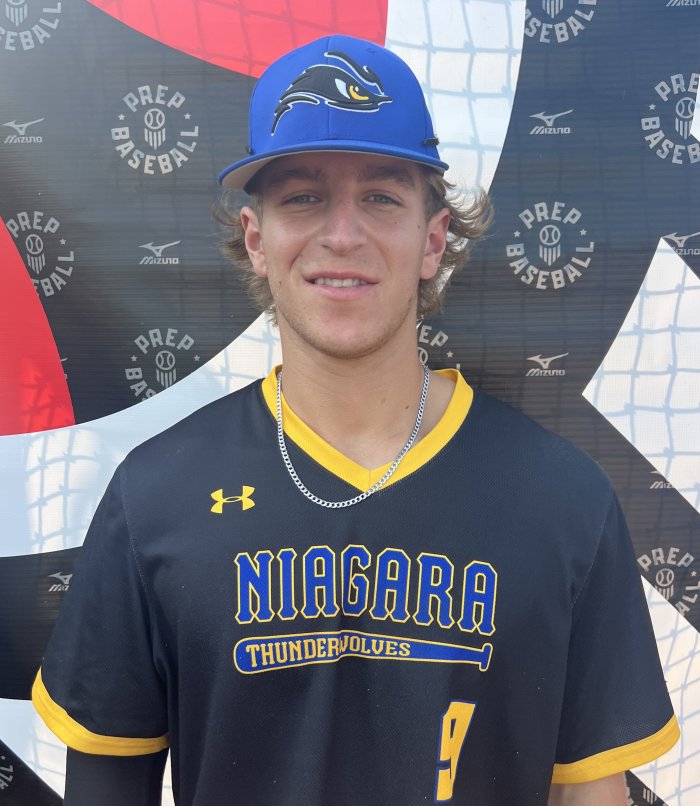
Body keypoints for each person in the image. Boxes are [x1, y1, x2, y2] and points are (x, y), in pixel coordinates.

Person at [32, 35, 679, 806]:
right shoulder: (155, 498)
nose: (343, 236)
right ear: (257, 239)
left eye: (381, 197)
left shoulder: (564, 500)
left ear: (433, 240)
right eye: (303, 197)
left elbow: (588, 794)